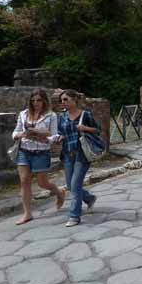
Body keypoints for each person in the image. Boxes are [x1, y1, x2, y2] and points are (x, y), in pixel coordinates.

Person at [11, 89, 65, 225]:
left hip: (41, 152)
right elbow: (16, 131)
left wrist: (45, 138)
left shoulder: (51, 115)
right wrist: (19, 135)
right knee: (24, 181)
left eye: (39, 100)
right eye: (33, 100)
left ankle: (59, 192)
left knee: (42, 183)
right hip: (24, 150)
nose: (36, 103)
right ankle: (27, 214)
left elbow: (54, 135)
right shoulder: (23, 114)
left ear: (44, 101)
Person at [56, 89, 99, 227]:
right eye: (61, 100)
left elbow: (98, 130)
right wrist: (59, 137)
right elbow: (60, 132)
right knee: (70, 185)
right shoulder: (61, 116)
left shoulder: (85, 115)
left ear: (75, 100)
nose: (63, 102)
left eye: (66, 99)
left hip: (82, 154)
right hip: (67, 154)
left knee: (75, 186)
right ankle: (90, 198)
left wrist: (84, 128)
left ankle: (74, 216)